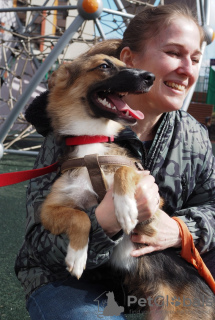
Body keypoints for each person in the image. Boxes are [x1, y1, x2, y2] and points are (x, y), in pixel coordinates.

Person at [15, 3, 215, 320]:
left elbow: (212, 207)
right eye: (174, 53)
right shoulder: (71, 128)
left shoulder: (193, 136)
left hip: (155, 275)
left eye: (194, 59)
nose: (187, 69)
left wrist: (178, 229)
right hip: (74, 283)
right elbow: (40, 245)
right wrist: (102, 223)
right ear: (129, 59)